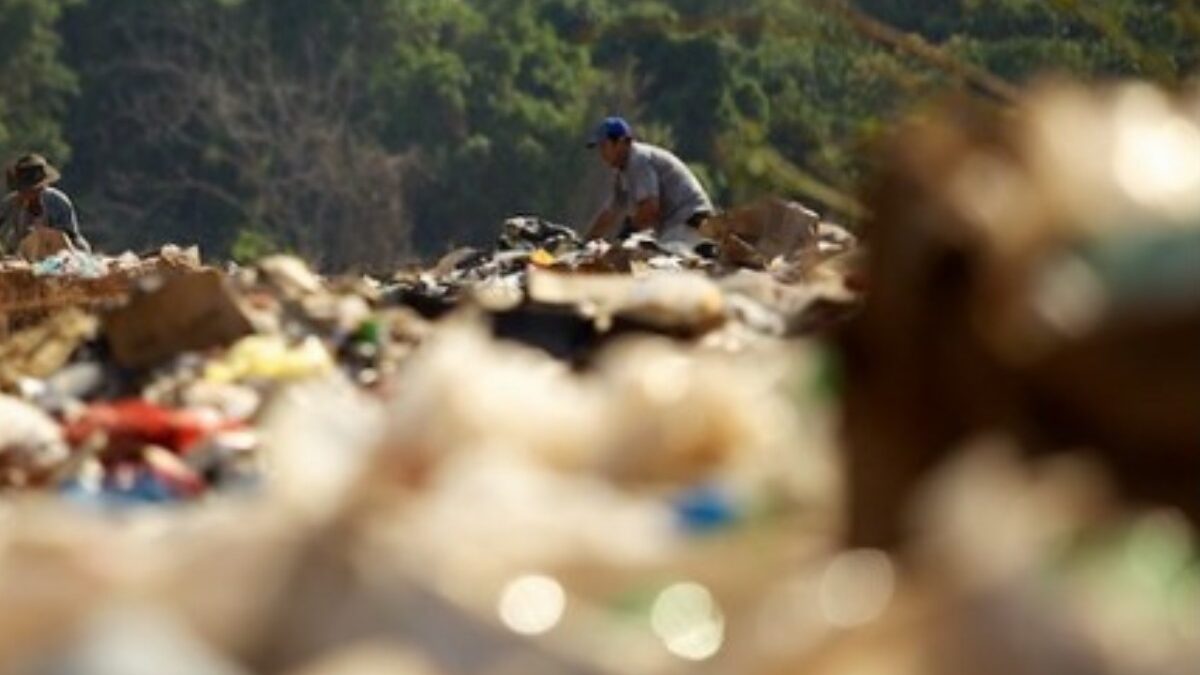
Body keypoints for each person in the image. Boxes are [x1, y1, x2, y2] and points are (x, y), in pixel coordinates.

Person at [583, 116, 714, 243]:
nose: (602, 153)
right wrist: (585, 241)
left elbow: (650, 208)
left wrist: (628, 229)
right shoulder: (622, 172)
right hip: (676, 224)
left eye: (604, 146)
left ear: (621, 142)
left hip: (690, 219)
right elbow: (611, 212)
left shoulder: (638, 160)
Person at [0, 153, 90, 254]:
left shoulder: (58, 202)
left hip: (62, 249)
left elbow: (69, 236)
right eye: (25, 190)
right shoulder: (11, 203)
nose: (29, 193)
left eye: (35, 190)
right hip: (24, 251)